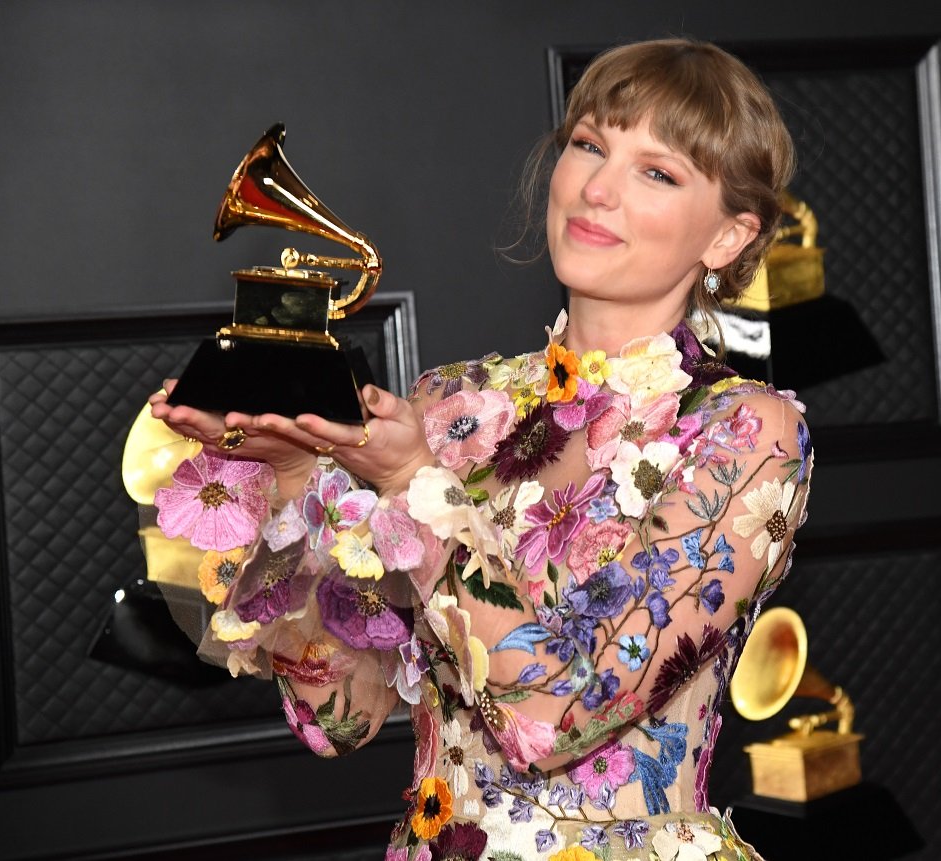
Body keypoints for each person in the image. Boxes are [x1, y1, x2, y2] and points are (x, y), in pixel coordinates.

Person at [149, 37, 812, 861]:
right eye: (589, 145)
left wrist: (409, 483)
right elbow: (335, 720)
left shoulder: (744, 432)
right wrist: (287, 480)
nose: (597, 189)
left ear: (727, 237)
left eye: (658, 172)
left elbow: (556, 715)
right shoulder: (449, 408)